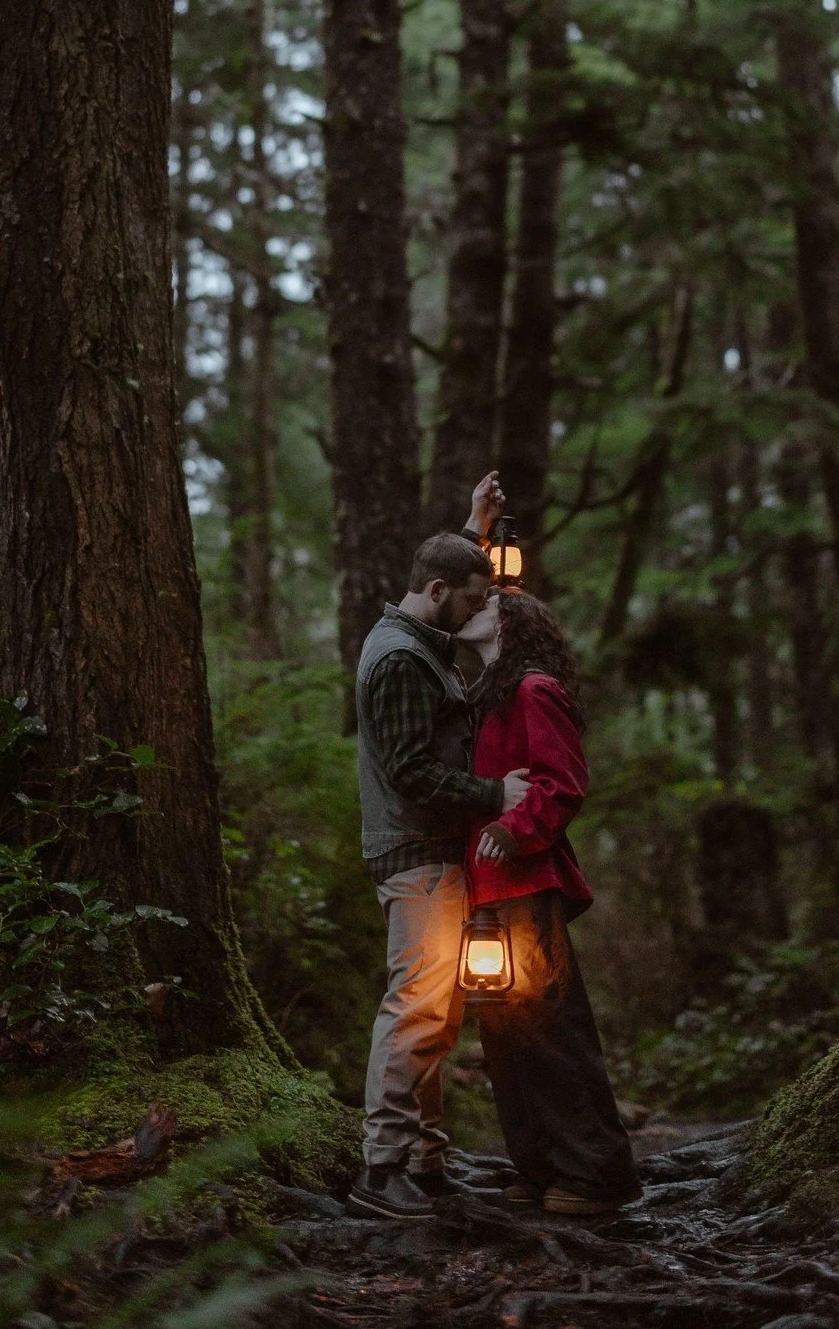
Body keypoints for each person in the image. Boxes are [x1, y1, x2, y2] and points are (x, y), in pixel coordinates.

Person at [346, 475, 532, 1222]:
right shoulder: (398, 659)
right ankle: (381, 1168)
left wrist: (475, 529)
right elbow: (411, 770)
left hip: (431, 856)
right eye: (471, 597)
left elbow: (448, 568)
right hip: (414, 857)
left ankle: (423, 1162)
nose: (483, 608)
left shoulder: (420, 633)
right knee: (416, 1009)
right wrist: (497, 796)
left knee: (437, 1013)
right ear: (434, 590)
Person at [457, 589, 642, 1216]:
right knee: (505, 1036)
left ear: (510, 622)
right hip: (489, 890)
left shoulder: (534, 688)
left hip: (527, 883)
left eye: (486, 602)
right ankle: (538, 1168)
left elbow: (563, 783)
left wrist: (514, 830)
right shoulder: (489, 693)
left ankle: (597, 1173)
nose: (472, 606)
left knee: (551, 1030)